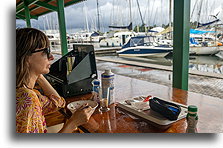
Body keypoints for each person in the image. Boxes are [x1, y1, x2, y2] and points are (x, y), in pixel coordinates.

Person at [16, 28, 93, 133]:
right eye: (46, 51)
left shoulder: (27, 92)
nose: (51, 57)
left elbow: (58, 103)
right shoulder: (27, 99)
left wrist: (38, 75)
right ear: (26, 57)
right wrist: (73, 123)